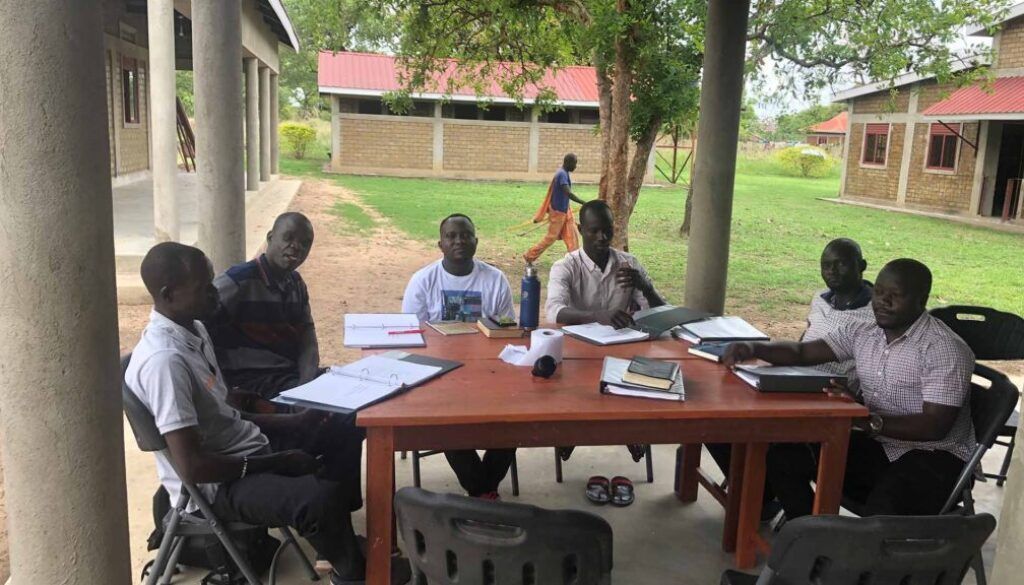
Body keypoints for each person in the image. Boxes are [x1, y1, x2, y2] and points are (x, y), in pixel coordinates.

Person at [125, 242, 409, 585]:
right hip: (219, 485)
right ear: (169, 295)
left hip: (243, 446)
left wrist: (293, 422)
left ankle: (338, 541)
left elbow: (224, 414)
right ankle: (353, 572)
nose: (216, 293)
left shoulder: (194, 329)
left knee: (342, 422)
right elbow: (194, 467)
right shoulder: (165, 362)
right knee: (317, 498)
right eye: (204, 287)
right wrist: (279, 461)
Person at [723, 258, 975, 519]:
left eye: (895, 295)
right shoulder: (864, 332)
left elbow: (934, 426)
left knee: (883, 506)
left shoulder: (944, 349)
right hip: (879, 443)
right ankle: (812, 538)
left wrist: (866, 421)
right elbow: (802, 352)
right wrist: (753, 348)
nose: (882, 301)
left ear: (921, 300)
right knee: (785, 456)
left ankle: (842, 549)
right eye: (878, 292)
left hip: (935, 457)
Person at [705, 238, 876, 517]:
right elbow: (803, 346)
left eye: (841, 264)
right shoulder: (821, 299)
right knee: (716, 420)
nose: (832, 271)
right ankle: (759, 496)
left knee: (771, 440)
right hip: (799, 378)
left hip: (832, 395)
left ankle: (787, 510)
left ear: (862, 267)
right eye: (825, 265)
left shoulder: (874, 314)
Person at [402, 214, 517, 499]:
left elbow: (507, 331)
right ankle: (484, 492)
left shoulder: (494, 279)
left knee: (516, 418)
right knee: (444, 421)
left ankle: (480, 492)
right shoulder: (423, 281)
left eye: (465, 235)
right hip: (437, 373)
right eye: (451, 236)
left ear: (476, 241)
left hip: (487, 374)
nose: (459, 241)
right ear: (440, 244)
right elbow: (409, 338)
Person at [545, 199, 665, 469]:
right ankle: (572, 432)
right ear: (580, 229)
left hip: (621, 348)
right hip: (577, 350)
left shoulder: (628, 264)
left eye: (608, 230)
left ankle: (629, 431)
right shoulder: (566, 266)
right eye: (594, 230)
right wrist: (598, 315)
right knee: (577, 390)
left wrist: (646, 287)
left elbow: (658, 314)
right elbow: (554, 312)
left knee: (637, 385)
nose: (602, 237)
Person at [204, 212, 319, 401]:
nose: (296, 247)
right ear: (270, 238)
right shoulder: (238, 282)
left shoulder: (296, 283)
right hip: (255, 385)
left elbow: (308, 340)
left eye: (305, 243)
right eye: (288, 238)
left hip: (291, 380)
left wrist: (305, 385)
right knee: (347, 418)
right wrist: (223, 389)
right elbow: (199, 329)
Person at [523, 153, 588, 264]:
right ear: (568, 162)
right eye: (575, 163)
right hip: (558, 213)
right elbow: (568, 193)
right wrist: (583, 202)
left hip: (565, 212)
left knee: (571, 236)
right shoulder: (561, 174)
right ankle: (530, 255)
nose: (575, 166)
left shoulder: (564, 173)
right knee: (550, 238)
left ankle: (577, 261)